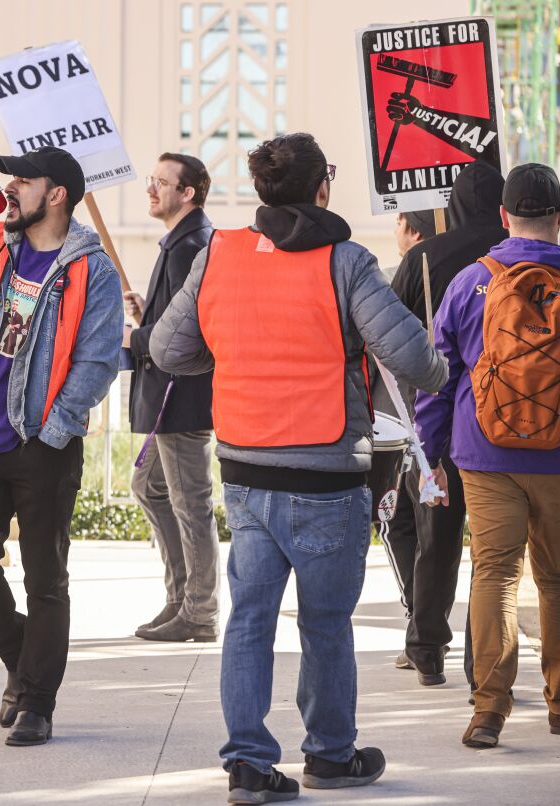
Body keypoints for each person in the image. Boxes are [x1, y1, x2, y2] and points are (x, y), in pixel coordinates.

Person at [150, 133, 447, 802]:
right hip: (328, 476)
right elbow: (411, 356)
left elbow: (170, 349)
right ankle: (331, 756)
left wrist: (233, 360)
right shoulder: (346, 261)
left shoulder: (218, 253)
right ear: (322, 187)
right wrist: (443, 370)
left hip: (246, 472)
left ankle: (248, 765)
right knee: (325, 623)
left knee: (249, 618)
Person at [0, 146, 122, 747]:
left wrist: (56, 426)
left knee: (45, 577)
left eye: (23, 179)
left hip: (44, 443)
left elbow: (98, 359)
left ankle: (37, 700)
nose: (8, 187)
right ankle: (24, 660)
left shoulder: (94, 269)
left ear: (56, 193)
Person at [415, 163, 560, 749]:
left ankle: (489, 710)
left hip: (484, 454)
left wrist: (428, 452)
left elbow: (438, 377)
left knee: (497, 575)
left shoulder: (470, 282)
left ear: (505, 217)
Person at [384, 162, 508, 688]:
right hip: (510, 422)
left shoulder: (424, 258)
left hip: (436, 420)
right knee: (497, 554)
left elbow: (386, 332)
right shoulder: (517, 255)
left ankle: (427, 647)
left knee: (437, 536)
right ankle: (485, 666)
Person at [122, 153, 218, 643]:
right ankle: (181, 597)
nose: (151, 189)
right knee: (150, 487)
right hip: (170, 393)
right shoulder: (181, 241)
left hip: (181, 395)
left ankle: (199, 612)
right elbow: (172, 319)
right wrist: (147, 316)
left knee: (190, 504)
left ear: (189, 193)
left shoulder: (191, 245)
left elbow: (192, 330)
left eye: (162, 183)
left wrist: (134, 340)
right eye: (151, 180)